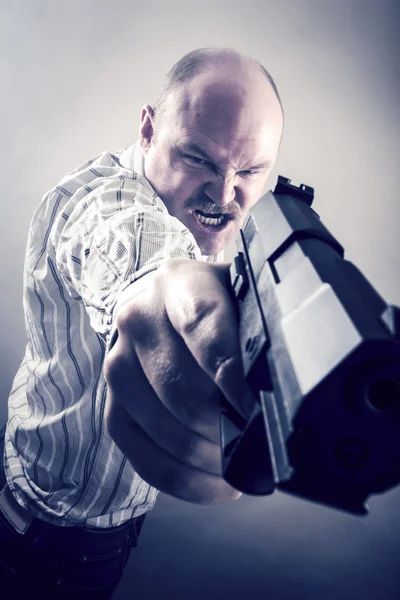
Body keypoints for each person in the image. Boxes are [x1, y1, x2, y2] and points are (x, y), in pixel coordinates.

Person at [0, 47, 283, 597]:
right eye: (198, 158)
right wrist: (161, 302)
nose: (225, 193)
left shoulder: (211, 216)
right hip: (36, 539)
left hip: (107, 537)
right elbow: (133, 249)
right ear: (149, 129)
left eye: (250, 170)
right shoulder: (99, 202)